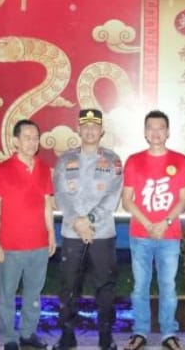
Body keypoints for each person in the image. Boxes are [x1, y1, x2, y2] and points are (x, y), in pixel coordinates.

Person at [53, 109, 123, 350]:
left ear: (102, 131)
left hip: (101, 233)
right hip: (72, 233)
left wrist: (89, 220)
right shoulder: (65, 159)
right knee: (68, 287)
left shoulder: (113, 160)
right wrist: (77, 220)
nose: (90, 131)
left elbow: (113, 195)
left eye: (95, 126)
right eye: (86, 126)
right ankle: (67, 336)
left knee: (105, 287)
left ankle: (106, 336)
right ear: (78, 129)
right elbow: (60, 194)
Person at [121, 110, 185, 350]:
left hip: (169, 236)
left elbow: (183, 200)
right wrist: (149, 224)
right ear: (144, 132)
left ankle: (168, 332)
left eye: (161, 128)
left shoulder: (180, 160)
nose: (156, 132)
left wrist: (164, 223)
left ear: (168, 132)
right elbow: (126, 200)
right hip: (140, 234)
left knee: (168, 286)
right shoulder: (134, 160)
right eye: (151, 128)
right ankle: (140, 331)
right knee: (140, 286)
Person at [0, 119, 56, 350]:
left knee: (33, 293)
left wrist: (51, 233)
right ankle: (9, 337)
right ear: (15, 141)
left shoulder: (43, 168)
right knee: (7, 294)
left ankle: (28, 333)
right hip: (11, 245)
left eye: (36, 138)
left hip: (39, 244)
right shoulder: (2, 169)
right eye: (27, 137)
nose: (32, 142)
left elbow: (47, 205)